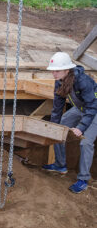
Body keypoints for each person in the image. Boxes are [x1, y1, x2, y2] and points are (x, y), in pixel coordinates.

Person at [42, 52, 97, 193]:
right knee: (58, 128)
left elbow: (91, 106)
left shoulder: (82, 81)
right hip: (81, 108)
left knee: (86, 142)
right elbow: (57, 105)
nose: (54, 74)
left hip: (94, 110)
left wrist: (81, 127)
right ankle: (60, 165)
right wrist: (54, 125)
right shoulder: (59, 81)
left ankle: (83, 179)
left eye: (57, 71)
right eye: (52, 71)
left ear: (67, 70)